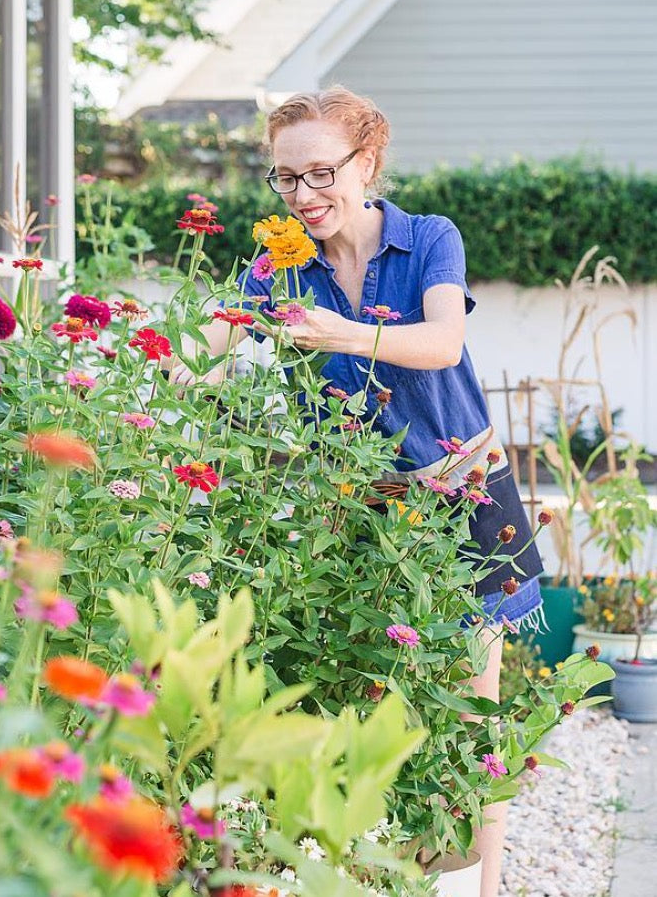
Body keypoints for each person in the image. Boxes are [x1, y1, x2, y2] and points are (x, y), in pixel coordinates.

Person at [167, 86, 543, 897]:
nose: (303, 197)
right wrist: (150, 365)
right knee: (380, 703)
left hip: (462, 491)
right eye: (285, 180)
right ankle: (392, 877)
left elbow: (443, 344)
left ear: (365, 164)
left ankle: (489, 886)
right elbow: (202, 351)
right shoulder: (276, 266)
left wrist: (341, 333)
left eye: (320, 174)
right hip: (361, 508)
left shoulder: (429, 239)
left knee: (478, 706)